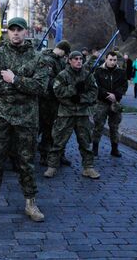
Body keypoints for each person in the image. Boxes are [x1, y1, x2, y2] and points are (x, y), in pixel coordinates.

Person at [0, 17, 49, 222]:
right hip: (2, 116)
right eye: (12, 29)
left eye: (20, 29)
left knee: (26, 162)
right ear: (7, 32)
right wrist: (24, 86)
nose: (16, 33)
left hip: (27, 118)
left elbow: (41, 87)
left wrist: (15, 79)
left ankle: (31, 203)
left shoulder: (38, 57)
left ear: (26, 32)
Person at [43, 51, 99, 180]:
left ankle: (88, 167)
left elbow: (94, 92)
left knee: (85, 141)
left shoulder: (87, 75)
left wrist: (81, 98)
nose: (79, 61)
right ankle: (52, 166)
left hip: (83, 113)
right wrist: (73, 90)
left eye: (81, 59)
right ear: (70, 60)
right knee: (58, 141)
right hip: (66, 113)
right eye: (76, 59)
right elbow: (57, 91)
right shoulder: (63, 75)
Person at [38, 40, 70, 167]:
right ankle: (44, 155)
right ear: (62, 50)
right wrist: (61, 86)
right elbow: (48, 82)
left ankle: (59, 154)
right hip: (47, 101)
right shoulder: (48, 60)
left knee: (59, 130)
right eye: (66, 54)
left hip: (57, 100)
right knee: (47, 128)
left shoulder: (59, 60)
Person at [91, 51, 128, 157]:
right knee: (98, 125)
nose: (112, 62)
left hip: (115, 102)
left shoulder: (121, 72)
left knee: (114, 126)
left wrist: (116, 95)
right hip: (101, 102)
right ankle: (95, 147)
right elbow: (95, 85)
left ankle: (114, 148)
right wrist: (106, 95)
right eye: (110, 60)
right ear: (106, 59)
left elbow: (124, 86)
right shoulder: (98, 71)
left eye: (115, 60)